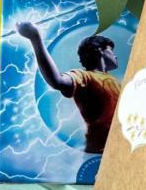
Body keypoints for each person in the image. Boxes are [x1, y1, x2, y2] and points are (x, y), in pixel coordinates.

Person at [16, 21, 121, 154]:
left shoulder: (117, 82)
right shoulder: (84, 76)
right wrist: (35, 38)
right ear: (99, 50)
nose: (115, 55)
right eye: (111, 51)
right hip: (100, 152)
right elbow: (57, 81)